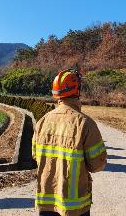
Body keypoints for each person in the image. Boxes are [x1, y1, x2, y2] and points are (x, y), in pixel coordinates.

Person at [32, 68, 107, 216]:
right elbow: (97, 164)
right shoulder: (85, 124)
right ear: (77, 90)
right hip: (75, 207)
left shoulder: (42, 122)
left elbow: (35, 155)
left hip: (46, 203)